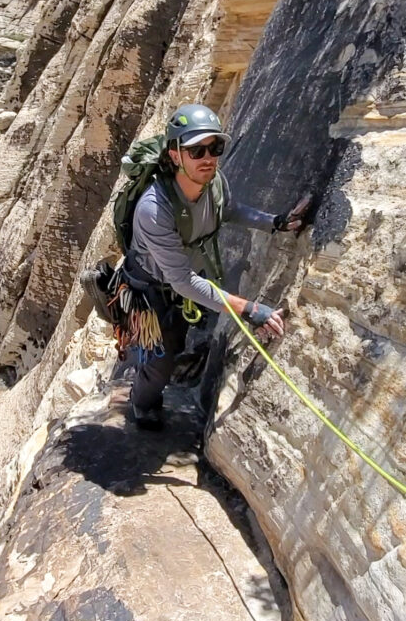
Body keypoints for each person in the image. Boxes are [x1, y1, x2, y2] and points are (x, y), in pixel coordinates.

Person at [124, 103, 309, 429]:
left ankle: (152, 368)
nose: (208, 157)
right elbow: (180, 280)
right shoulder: (154, 209)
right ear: (175, 155)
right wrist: (249, 309)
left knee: (177, 342)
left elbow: (230, 209)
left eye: (215, 147)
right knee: (160, 362)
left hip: (183, 282)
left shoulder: (214, 183)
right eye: (196, 150)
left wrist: (276, 222)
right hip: (152, 291)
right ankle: (142, 403)